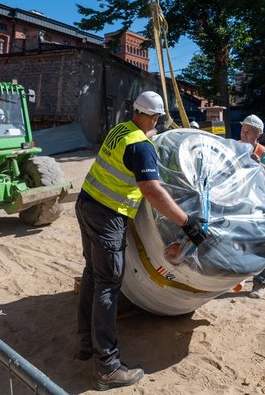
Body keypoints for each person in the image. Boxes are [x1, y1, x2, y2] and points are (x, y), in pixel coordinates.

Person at [76, 90, 207, 391]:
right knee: (108, 285)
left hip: (86, 205)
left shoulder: (120, 130)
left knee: (92, 274)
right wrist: (186, 222)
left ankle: (85, 343)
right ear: (155, 117)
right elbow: (152, 190)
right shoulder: (141, 146)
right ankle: (107, 368)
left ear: (135, 110)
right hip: (108, 216)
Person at [239, 114, 265, 299]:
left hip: (260, 203)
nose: (244, 133)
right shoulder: (236, 147)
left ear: (258, 134)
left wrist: (257, 162)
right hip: (241, 200)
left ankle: (260, 283)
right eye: (243, 129)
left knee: (260, 242)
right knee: (239, 240)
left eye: (248, 131)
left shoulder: (262, 152)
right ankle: (238, 278)